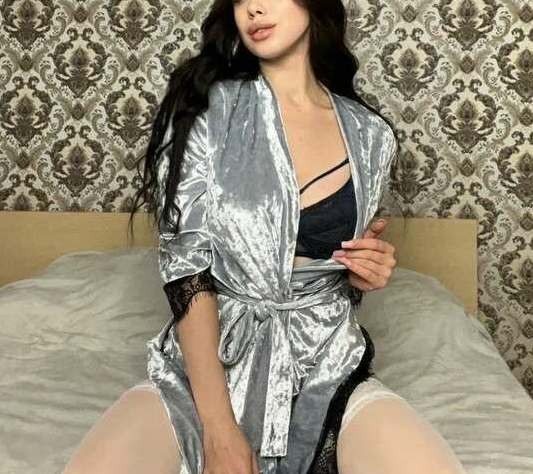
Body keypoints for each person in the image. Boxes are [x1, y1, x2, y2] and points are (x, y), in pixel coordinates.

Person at [63, 1, 468, 473]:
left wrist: (363, 272)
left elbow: (333, 264)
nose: (254, 8)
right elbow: (187, 272)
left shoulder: (371, 136)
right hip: (209, 365)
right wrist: (219, 430)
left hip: (324, 361)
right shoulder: (205, 110)